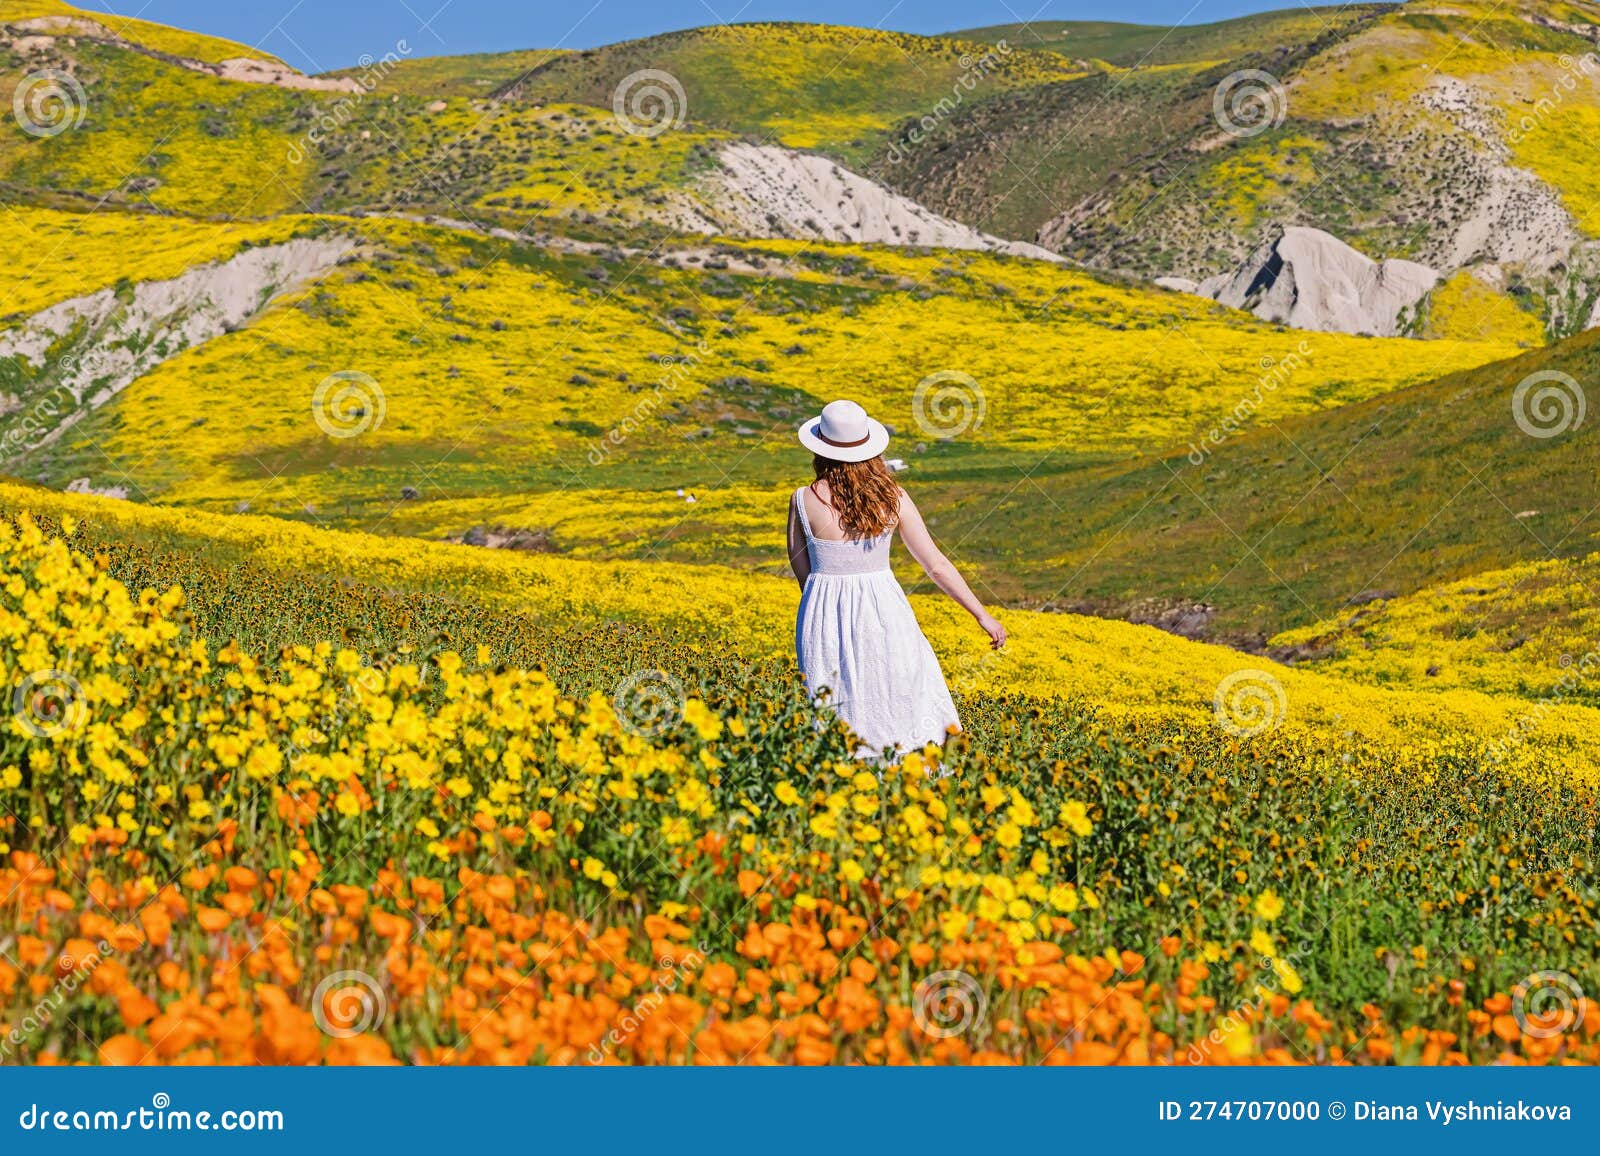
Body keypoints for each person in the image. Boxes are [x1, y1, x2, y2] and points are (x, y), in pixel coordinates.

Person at [787, 399, 1006, 756]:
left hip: (822, 614)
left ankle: (842, 780)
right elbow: (935, 564)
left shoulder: (801, 500)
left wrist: (823, 606)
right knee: (899, 696)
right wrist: (982, 614)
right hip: (883, 608)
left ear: (820, 450)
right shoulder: (893, 497)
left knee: (833, 704)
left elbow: (801, 567)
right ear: (869, 449)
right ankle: (908, 781)